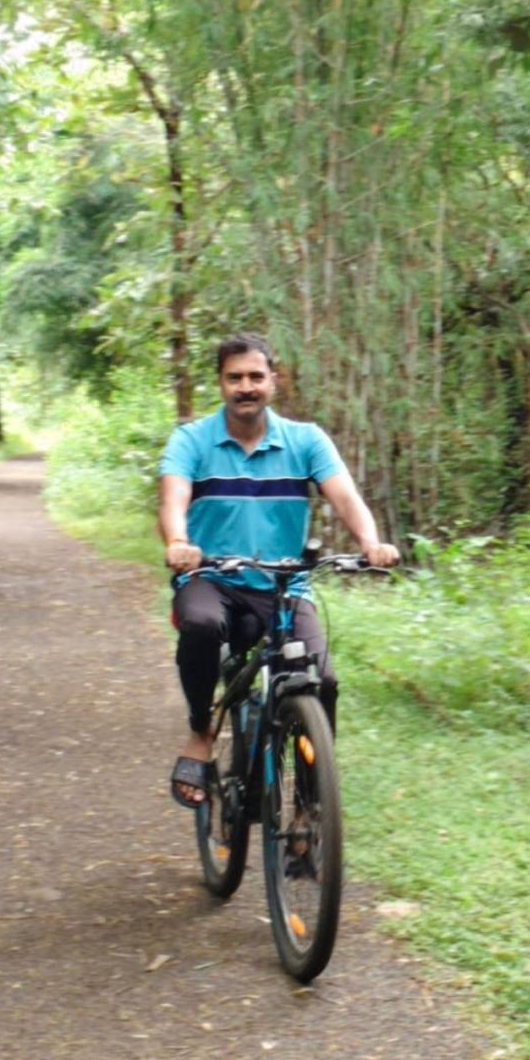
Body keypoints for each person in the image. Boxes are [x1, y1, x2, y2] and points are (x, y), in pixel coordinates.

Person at [159, 333, 399, 807]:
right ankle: (201, 732)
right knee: (202, 625)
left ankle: (311, 809)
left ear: (274, 380)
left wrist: (370, 543)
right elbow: (173, 500)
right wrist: (179, 543)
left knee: (322, 682)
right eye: (234, 378)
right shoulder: (191, 440)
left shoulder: (305, 440)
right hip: (212, 577)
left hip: (284, 585)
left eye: (255, 376)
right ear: (220, 383)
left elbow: (346, 497)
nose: (245, 387)